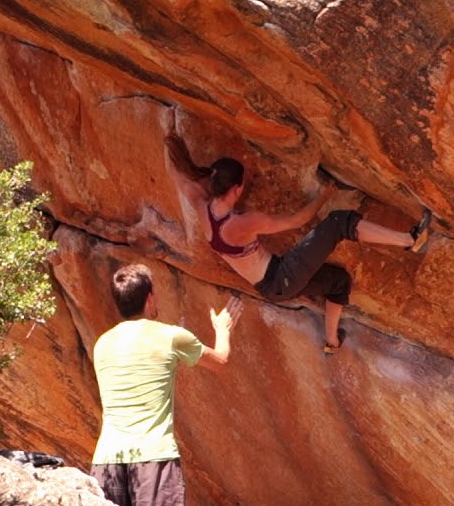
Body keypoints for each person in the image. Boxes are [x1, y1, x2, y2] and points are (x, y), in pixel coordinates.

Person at [164, 126, 431, 354]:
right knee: (339, 222)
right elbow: (296, 221)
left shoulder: (202, 207)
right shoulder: (243, 223)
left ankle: (331, 342)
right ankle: (410, 239)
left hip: (274, 286)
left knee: (339, 282)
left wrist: (169, 142)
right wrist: (324, 195)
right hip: (282, 277)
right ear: (237, 189)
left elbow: (177, 176)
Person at [89, 264, 241, 506]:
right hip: (154, 457)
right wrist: (223, 327)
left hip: (106, 459)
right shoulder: (171, 336)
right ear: (150, 297)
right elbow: (221, 361)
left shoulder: (102, 344)